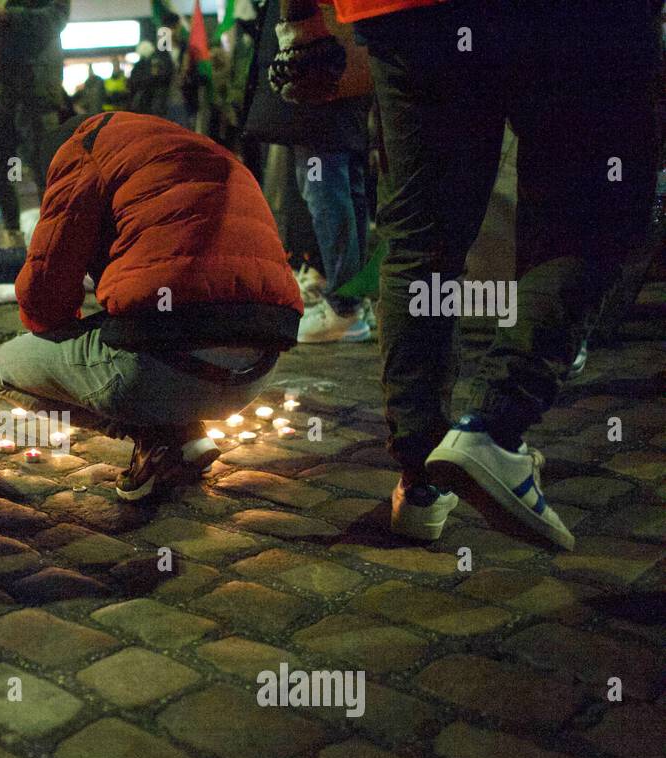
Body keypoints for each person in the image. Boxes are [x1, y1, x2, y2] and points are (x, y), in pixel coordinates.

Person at [272, 0, 660, 550]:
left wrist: (303, 22)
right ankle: (495, 427)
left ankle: (421, 476)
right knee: (591, 214)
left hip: (406, 15)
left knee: (419, 236)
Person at [0, 112, 304, 501]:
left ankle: (157, 436)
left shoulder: (81, 151)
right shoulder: (198, 149)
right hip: (255, 373)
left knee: (6, 367)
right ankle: (184, 435)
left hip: (160, 371)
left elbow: (44, 291)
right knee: (147, 327)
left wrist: (62, 332)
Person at [243, 0, 373, 343]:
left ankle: (345, 310)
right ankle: (352, 300)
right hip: (342, 68)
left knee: (325, 192)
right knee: (347, 190)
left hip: (317, 71)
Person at [0, 0, 69, 247]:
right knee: (3, 172)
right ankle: (12, 236)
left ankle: (55, 241)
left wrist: (6, 16)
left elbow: (56, 19)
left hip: (35, 89)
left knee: (47, 171)